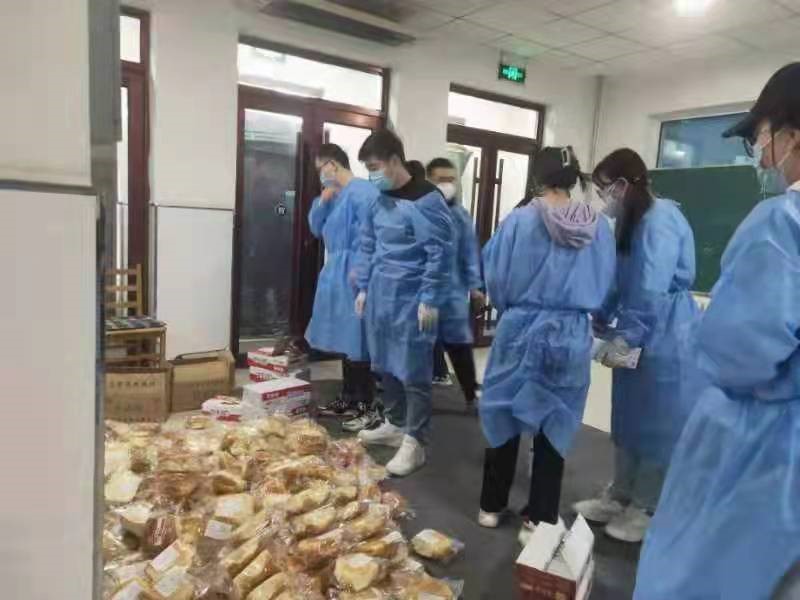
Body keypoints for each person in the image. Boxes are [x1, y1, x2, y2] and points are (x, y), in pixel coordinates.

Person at [634, 62, 800, 599]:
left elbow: (739, 353)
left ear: (792, 135)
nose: (761, 155)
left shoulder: (781, 224)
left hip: (766, 445)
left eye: (761, 138)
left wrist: (702, 335)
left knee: (701, 571)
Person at [477, 147, 616, 545]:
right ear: (575, 180)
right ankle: (539, 517)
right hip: (570, 332)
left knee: (503, 412)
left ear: (537, 178)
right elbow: (608, 283)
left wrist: (511, 305)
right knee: (556, 421)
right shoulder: (599, 228)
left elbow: (496, 277)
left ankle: (490, 506)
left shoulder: (519, 221)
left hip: (519, 329)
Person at [573, 148, 700, 543]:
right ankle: (621, 494)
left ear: (623, 185)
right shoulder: (631, 220)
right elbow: (619, 278)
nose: (602, 198)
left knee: (657, 422)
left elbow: (650, 289)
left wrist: (627, 336)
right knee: (628, 415)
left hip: (666, 333)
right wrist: (599, 315)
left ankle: (647, 507)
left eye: (603, 189)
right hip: (637, 325)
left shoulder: (661, 221)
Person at [354, 130, 454, 477]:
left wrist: (430, 298)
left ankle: (416, 441)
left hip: (413, 298)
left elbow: (439, 253)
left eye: (374, 167)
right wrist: (363, 287)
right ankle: (395, 423)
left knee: (413, 370)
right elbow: (368, 243)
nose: (371, 175)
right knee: (384, 363)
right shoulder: (379, 199)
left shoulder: (427, 200)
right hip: (381, 294)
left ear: (394, 160)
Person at [305, 144, 381, 431]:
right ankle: (349, 397)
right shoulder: (333, 195)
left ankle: (366, 403)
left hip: (355, 271)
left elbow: (372, 238)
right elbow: (316, 228)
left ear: (333, 164)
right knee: (344, 340)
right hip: (336, 271)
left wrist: (363, 281)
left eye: (321, 168)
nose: (320, 175)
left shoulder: (363, 193)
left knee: (358, 340)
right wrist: (322, 202)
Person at [426, 157, 484, 405]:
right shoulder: (418, 212)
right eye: (441, 179)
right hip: (423, 294)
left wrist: (475, 286)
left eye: (451, 179)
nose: (447, 184)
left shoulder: (460, 215)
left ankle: (471, 394)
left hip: (453, 293)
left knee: (459, 344)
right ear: (429, 180)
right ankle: (415, 400)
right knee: (420, 346)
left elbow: (469, 253)